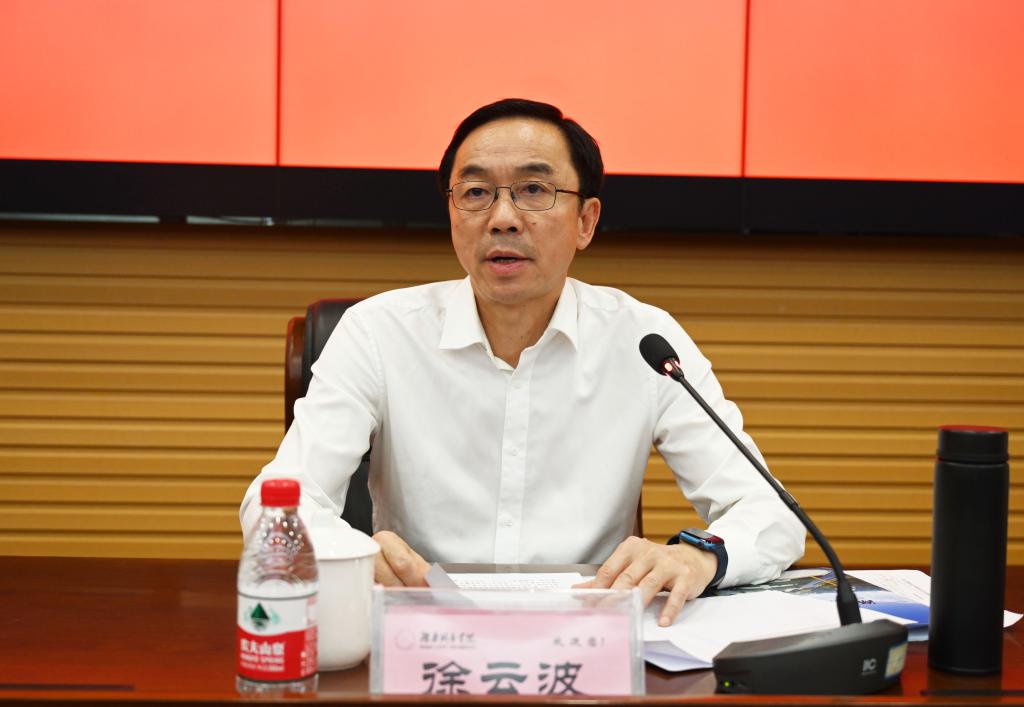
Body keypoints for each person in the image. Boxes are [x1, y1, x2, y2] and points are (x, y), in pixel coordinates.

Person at [240, 98, 804, 626]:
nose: (503, 218)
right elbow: (274, 507)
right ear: (453, 214)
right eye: (476, 193)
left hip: (586, 636)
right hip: (424, 632)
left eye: (535, 190)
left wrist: (698, 557)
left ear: (586, 221)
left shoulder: (643, 341)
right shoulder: (378, 333)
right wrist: (357, 553)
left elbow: (771, 513)